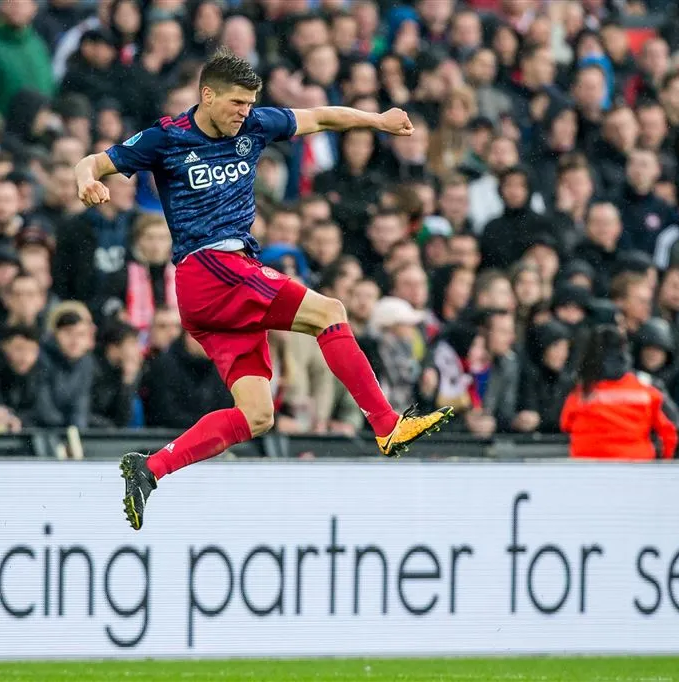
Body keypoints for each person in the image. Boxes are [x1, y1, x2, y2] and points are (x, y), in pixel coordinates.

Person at [75, 50, 453, 530]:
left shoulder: (254, 125)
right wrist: (87, 181)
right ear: (206, 94)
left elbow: (319, 116)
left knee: (257, 416)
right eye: (235, 102)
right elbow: (92, 161)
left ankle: (148, 469)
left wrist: (377, 120)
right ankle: (386, 425)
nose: (243, 112)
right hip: (210, 267)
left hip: (220, 292)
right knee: (329, 310)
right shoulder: (166, 138)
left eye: (250, 104)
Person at [560, 325, 679, 460]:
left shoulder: (580, 392)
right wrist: (664, 461)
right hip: (636, 465)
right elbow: (669, 432)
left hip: (588, 466)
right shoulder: (645, 391)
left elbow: (566, 424)